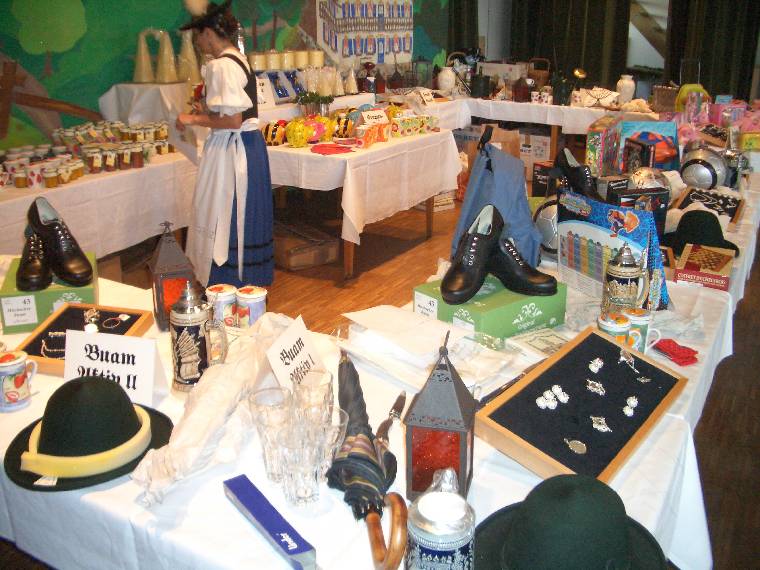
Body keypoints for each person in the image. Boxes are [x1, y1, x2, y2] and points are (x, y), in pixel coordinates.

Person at [176, 0, 273, 288]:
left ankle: (228, 283)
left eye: (198, 34)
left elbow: (232, 120)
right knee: (238, 214)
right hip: (247, 147)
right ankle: (244, 282)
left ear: (208, 33)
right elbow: (234, 110)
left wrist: (192, 119)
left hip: (235, 151)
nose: (198, 41)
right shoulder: (237, 59)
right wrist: (208, 109)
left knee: (226, 212)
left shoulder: (222, 66)